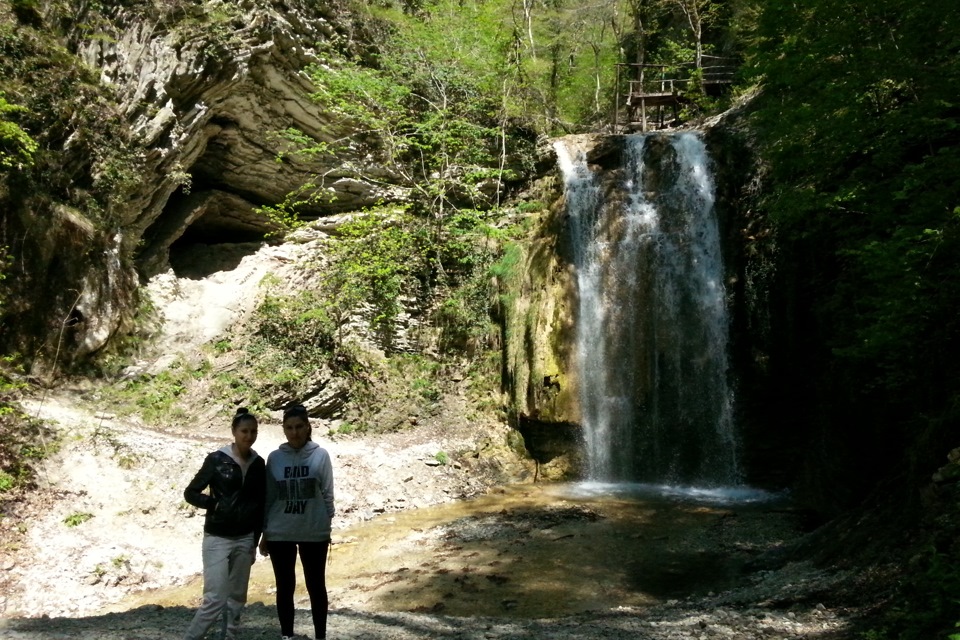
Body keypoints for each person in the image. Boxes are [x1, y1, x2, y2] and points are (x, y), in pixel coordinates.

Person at [182, 407, 266, 640]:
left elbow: (261, 504)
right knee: (215, 598)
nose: (248, 436)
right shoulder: (217, 460)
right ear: (234, 432)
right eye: (244, 431)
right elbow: (190, 492)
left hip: (245, 537)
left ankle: (230, 637)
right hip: (217, 537)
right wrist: (214, 504)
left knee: (237, 597)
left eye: (253, 432)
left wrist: (256, 540)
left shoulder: (259, 463)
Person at [259, 403, 335, 640]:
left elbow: (328, 494)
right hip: (280, 532)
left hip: (314, 531)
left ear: (308, 427)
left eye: (299, 427)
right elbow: (269, 497)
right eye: (289, 428)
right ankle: (287, 636)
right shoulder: (275, 458)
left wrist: (326, 524)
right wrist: (265, 533)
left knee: (316, 586)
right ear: (283, 429)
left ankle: (320, 636)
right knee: (284, 586)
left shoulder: (321, 455)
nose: (295, 432)